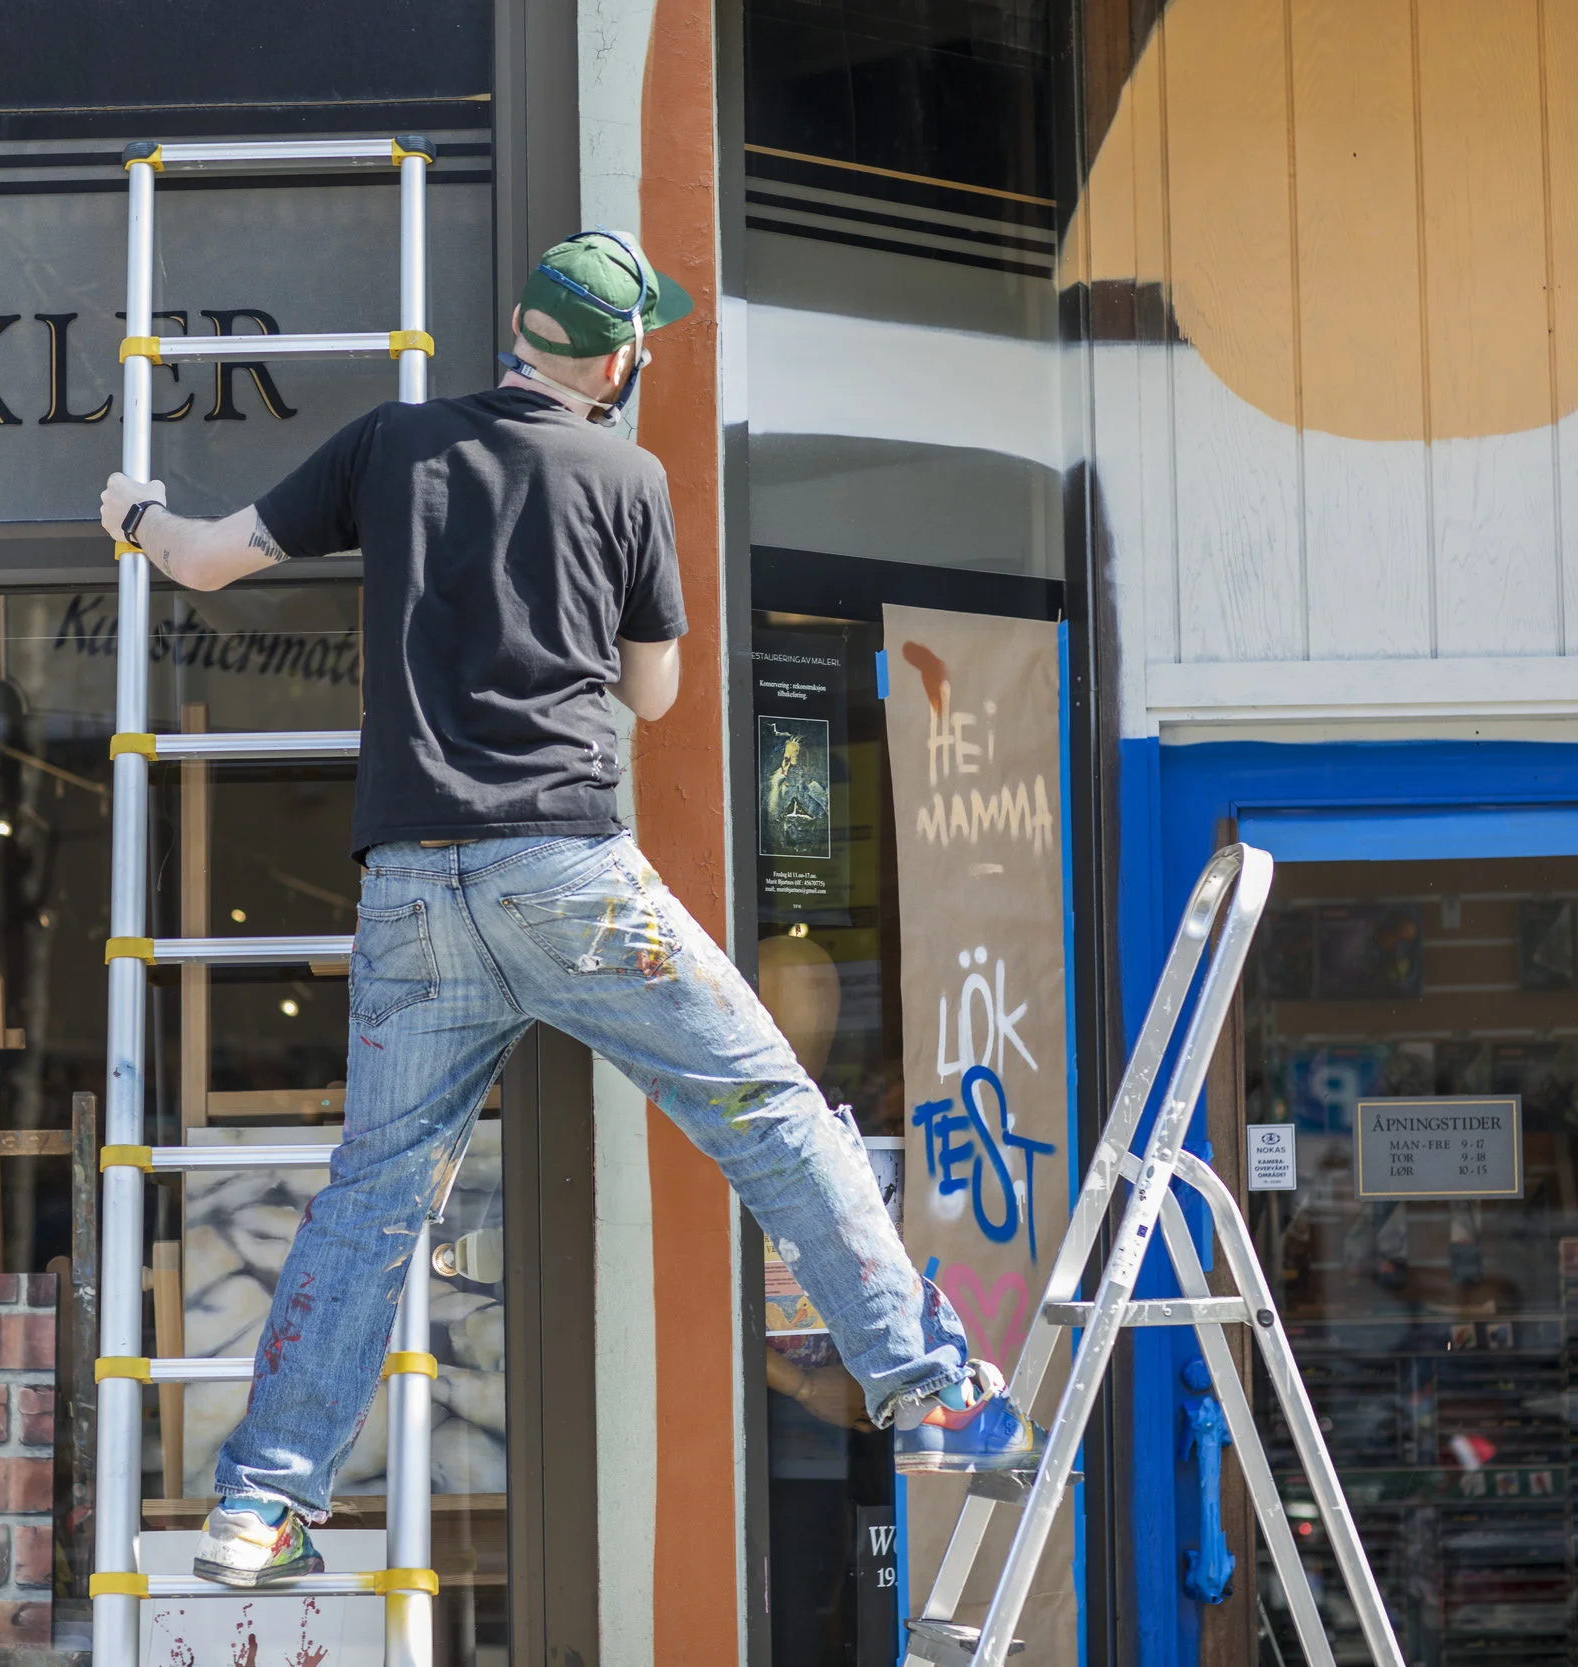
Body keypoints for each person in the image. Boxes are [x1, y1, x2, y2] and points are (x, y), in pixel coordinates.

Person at [97, 231, 1044, 1590]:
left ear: (520, 335)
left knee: (371, 1198)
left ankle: (257, 1504)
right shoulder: (628, 474)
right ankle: (934, 1386)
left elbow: (198, 561)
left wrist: (133, 510)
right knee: (772, 1116)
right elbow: (653, 697)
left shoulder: (393, 443)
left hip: (414, 887)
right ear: (622, 357)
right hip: (573, 877)